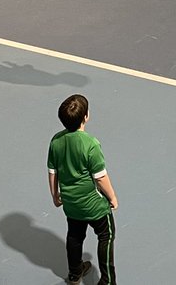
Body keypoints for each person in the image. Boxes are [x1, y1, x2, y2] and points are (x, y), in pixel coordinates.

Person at [48, 94, 118, 285]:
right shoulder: (90, 144)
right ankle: (108, 281)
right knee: (106, 236)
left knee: (75, 235)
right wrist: (112, 197)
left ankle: (74, 273)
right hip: (94, 205)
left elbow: (52, 172)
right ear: (86, 116)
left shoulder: (56, 141)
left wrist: (55, 196)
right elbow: (100, 177)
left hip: (71, 204)